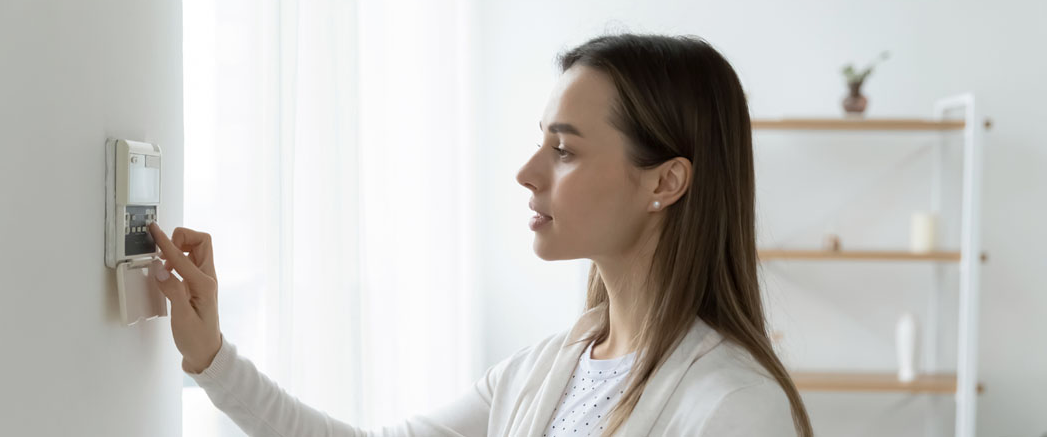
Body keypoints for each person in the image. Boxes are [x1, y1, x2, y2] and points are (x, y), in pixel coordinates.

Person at [148, 32, 813, 437]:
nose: (527, 173)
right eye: (540, 143)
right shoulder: (539, 372)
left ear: (665, 182)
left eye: (565, 149)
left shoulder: (733, 406)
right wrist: (211, 356)